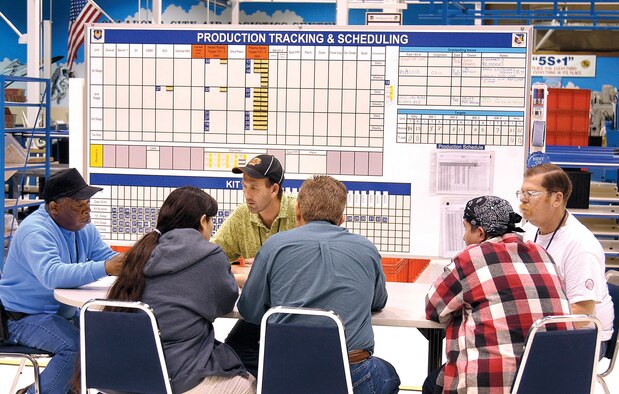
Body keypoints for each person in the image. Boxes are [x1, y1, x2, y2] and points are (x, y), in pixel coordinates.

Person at [238, 175, 401, 393]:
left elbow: (249, 310)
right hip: (350, 375)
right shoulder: (366, 249)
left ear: (298, 210)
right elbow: (378, 301)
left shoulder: (273, 247)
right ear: (342, 218)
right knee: (388, 374)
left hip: (285, 374)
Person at [106, 186, 255, 393]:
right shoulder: (209, 255)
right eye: (212, 221)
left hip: (124, 374)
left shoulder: (140, 254)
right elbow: (225, 304)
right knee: (250, 384)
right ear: (203, 221)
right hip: (178, 376)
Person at [424, 195, 570, 394]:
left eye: (466, 229)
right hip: (551, 380)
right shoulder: (542, 253)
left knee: (432, 384)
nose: (464, 237)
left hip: (495, 383)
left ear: (481, 233)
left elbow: (434, 308)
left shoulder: (470, 258)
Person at [0, 168, 123, 394]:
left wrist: (137, 262)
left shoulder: (83, 228)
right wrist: (105, 268)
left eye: (88, 204)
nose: (87, 211)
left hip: (60, 314)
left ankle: (63, 389)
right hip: (22, 317)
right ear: (54, 207)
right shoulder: (35, 231)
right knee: (75, 348)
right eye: (79, 205)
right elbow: (52, 275)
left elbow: (107, 257)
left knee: (107, 337)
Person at [211, 154, 296, 376]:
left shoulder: (299, 214)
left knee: (286, 358)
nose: (247, 195)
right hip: (259, 310)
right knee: (231, 355)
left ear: (274, 189)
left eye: (254, 188)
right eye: (244, 186)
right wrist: (244, 272)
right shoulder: (241, 217)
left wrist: (263, 270)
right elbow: (211, 259)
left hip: (296, 309)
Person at [518, 163, 614, 354]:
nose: (523, 201)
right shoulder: (530, 230)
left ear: (557, 198)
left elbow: (583, 314)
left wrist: (531, 329)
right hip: (543, 326)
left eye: (532, 194)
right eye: (521, 193)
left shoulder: (581, 246)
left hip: (582, 339)